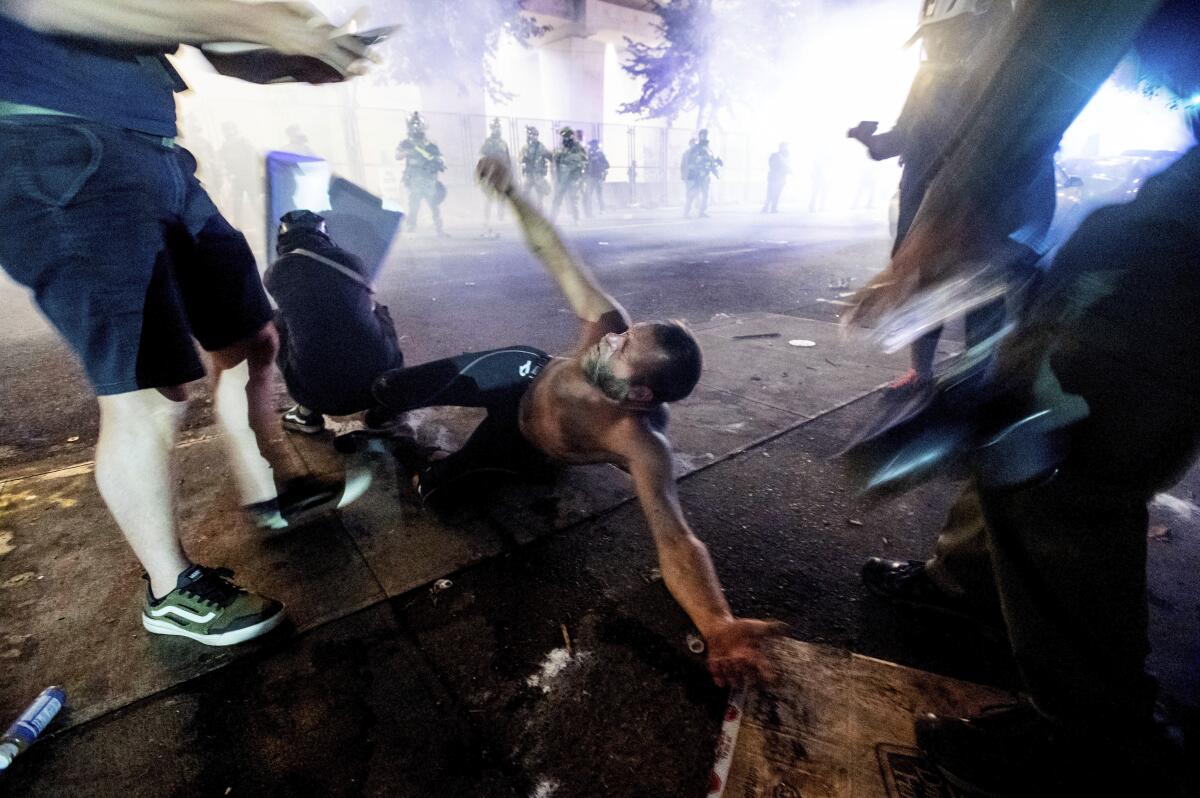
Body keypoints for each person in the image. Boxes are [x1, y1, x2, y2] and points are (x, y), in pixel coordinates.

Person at [849, 1, 1199, 793]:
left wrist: (960, 200)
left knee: (1064, 409)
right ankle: (971, 582)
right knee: (1028, 373)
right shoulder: (939, 73)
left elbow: (1070, 24)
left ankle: (1096, 739)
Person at [0, 0, 374, 646]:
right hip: (55, 147)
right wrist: (266, 22)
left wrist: (295, 58)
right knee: (149, 392)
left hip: (157, 154)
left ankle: (271, 483)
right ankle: (170, 589)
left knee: (250, 336)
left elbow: (209, 39)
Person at [370, 155, 786, 685]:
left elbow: (675, 538)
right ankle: (382, 409)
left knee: (436, 492)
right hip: (522, 374)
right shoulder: (608, 327)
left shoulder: (638, 439)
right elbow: (555, 252)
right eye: (619, 335)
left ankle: (434, 460)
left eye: (621, 348)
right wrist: (513, 193)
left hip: (523, 443)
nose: (611, 336)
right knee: (387, 391)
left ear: (637, 393)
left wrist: (715, 620)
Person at [847, 0, 1054, 394]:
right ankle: (921, 374)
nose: (941, 46)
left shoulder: (1007, 83)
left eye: (952, 34)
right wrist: (870, 140)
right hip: (925, 205)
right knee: (928, 287)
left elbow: (1027, 152)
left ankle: (977, 380)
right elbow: (902, 136)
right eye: (934, 36)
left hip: (977, 210)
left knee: (980, 292)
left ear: (986, 27)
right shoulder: (927, 79)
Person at [264, 211, 404, 435]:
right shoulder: (352, 262)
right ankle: (385, 411)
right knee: (378, 311)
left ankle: (306, 413)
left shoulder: (274, 273)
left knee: (275, 322)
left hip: (319, 394)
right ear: (325, 234)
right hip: (377, 385)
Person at [396, 111, 447, 236]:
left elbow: (440, 158)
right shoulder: (406, 143)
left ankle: (439, 229)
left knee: (433, 203)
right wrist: (408, 151)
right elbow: (397, 156)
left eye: (418, 124)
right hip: (414, 178)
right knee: (414, 203)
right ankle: (411, 227)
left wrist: (436, 162)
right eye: (413, 124)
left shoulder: (430, 143)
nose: (416, 127)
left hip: (428, 178)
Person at [479, 117, 511, 238]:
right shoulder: (488, 142)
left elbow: (507, 159)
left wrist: (509, 172)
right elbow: (483, 156)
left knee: (502, 196)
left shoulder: (503, 143)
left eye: (498, 127)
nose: (496, 130)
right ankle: (487, 218)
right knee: (489, 198)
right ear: (491, 129)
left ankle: (500, 218)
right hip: (491, 173)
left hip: (501, 173)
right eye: (494, 128)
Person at [550, 127, 588, 224]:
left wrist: (568, 159)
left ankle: (576, 219)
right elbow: (555, 161)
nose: (564, 139)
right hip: (562, 178)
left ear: (570, 136)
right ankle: (552, 219)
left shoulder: (577, 147)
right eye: (563, 137)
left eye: (565, 136)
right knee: (557, 198)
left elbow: (583, 157)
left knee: (573, 198)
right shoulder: (561, 148)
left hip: (573, 177)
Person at [682, 129, 722, 218]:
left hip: (705, 175)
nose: (705, 136)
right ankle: (686, 212)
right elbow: (691, 161)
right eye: (703, 135)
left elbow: (710, 160)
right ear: (700, 136)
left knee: (705, 194)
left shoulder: (707, 148)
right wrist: (691, 172)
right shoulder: (695, 148)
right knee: (692, 194)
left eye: (706, 135)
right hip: (697, 175)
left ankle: (702, 212)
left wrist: (716, 165)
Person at [519, 126, 552, 211]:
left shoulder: (541, 147)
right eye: (533, 135)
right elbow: (519, 159)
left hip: (538, 175)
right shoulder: (525, 147)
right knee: (525, 194)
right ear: (529, 136)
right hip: (529, 175)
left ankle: (540, 213)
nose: (535, 137)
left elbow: (549, 156)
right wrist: (523, 159)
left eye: (536, 135)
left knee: (540, 196)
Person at [582, 138, 609, 218]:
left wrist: (598, 162)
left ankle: (602, 209)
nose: (592, 147)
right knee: (588, 194)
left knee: (599, 194)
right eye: (591, 145)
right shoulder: (588, 155)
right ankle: (589, 212)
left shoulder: (600, 154)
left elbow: (607, 165)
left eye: (593, 145)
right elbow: (585, 165)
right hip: (590, 177)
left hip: (598, 177)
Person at [762, 142, 789, 213]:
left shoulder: (786, 157)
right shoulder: (775, 155)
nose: (786, 148)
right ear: (780, 147)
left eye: (786, 147)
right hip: (774, 178)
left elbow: (786, 167)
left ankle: (773, 208)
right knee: (770, 194)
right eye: (785, 146)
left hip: (781, 178)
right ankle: (766, 208)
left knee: (777, 194)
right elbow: (772, 165)